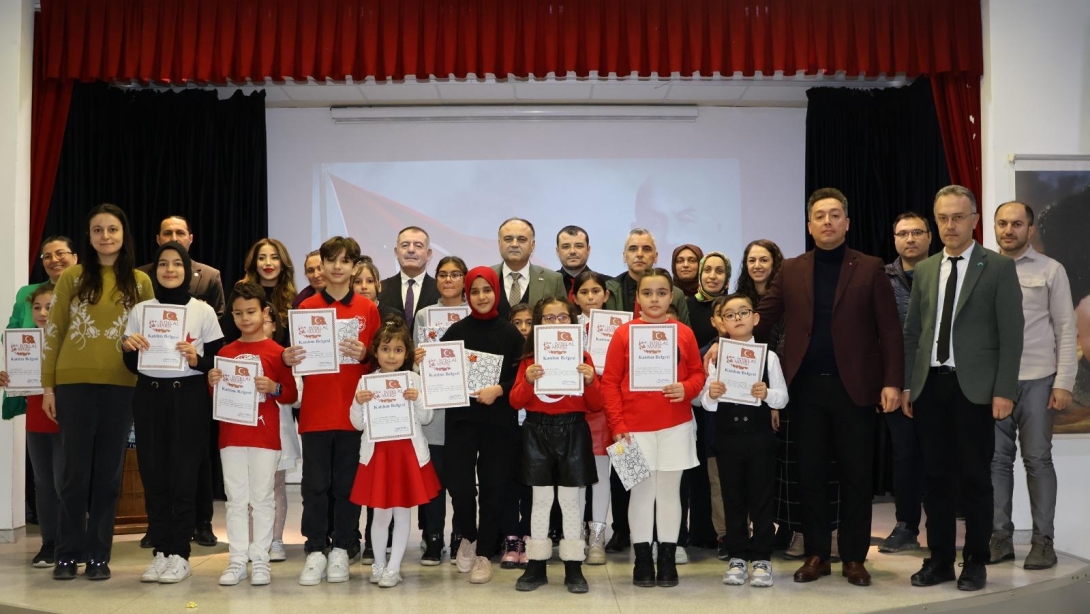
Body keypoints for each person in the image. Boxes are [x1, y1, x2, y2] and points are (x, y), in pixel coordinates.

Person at [750, 188, 903, 587]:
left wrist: (892, 381)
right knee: (810, 474)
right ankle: (817, 552)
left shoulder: (870, 268)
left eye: (835, 215)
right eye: (820, 216)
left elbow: (889, 330)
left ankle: (854, 557)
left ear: (847, 223)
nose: (828, 222)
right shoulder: (793, 269)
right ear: (809, 225)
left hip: (855, 390)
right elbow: (763, 320)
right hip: (804, 391)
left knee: (856, 476)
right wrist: (724, 343)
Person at [903, 185, 1024, 592]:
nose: (950, 225)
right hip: (929, 388)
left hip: (975, 391)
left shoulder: (998, 267)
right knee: (934, 479)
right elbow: (913, 334)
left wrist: (1004, 389)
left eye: (958, 217)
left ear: (974, 220)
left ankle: (975, 560)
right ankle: (939, 559)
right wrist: (907, 386)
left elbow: (1012, 335)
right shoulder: (923, 269)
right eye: (942, 218)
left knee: (975, 479)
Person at [42, 203, 155, 581]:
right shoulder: (72, 276)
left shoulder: (140, 282)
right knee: (73, 472)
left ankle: (98, 555)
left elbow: (150, 337)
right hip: (73, 383)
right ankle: (66, 552)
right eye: (97, 230)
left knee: (108, 475)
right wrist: (48, 386)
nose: (105, 236)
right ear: (89, 237)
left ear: (124, 235)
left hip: (121, 385)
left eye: (112, 229)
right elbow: (54, 331)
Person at [122, 242, 224, 584]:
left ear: (186, 269)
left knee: (183, 477)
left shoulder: (203, 310)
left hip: (189, 398)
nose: (169, 270)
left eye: (176, 264)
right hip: (149, 397)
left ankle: (180, 552)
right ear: (155, 270)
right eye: (163, 264)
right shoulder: (141, 310)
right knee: (153, 475)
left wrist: (196, 360)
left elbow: (216, 360)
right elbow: (131, 365)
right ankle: (161, 551)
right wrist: (127, 347)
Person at [282, 236, 380, 586]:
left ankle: (342, 546)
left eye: (344, 261)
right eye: (331, 260)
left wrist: (366, 355)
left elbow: (381, 362)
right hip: (316, 411)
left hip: (354, 412)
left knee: (347, 484)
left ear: (355, 267)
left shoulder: (368, 309)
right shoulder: (306, 308)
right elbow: (288, 360)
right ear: (320, 266)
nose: (337, 267)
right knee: (315, 485)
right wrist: (287, 357)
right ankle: (315, 548)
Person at [601, 268, 706, 588]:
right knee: (642, 495)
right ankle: (642, 562)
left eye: (662, 292)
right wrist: (617, 425)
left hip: (676, 426)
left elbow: (698, 376)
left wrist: (686, 389)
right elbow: (609, 384)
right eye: (648, 293)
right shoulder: (623, 333)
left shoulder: (683, 333)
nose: (655, 299)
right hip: (631, 431)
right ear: (638, 298)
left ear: (671, 296)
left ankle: (668, 561)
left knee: (670, 493)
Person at [989, 201, 1076, 570]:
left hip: (1039, 381)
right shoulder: (984, 268)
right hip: (993, 384)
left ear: (1030, 229)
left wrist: (1064, 382)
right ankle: (999, 538)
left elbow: (1066, 328)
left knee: (1038, 460)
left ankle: (1043, 542)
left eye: (1017, 224)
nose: (1009, 230)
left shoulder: (1051, 270)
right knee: (995, 462)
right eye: (1002, 223)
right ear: (993, 227)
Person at [510, 297, 604, 594]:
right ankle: (536, 565)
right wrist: (526, 380)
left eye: (562, 317)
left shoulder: (583, 357)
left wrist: (590, 381)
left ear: (573, 321)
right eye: (549, 318)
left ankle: (573, 567)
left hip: (573, 430)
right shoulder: (529, 358)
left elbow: (596, 404)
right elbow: (515, 400)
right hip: (537, 430)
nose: (556, 323)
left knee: (570, 502)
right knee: (540, 501)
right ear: (539, 323)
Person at [209, 282, 299, 586]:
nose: (245, 319)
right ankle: (237, 559)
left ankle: (260, 560)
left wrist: (273, 388)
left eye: (250, 312)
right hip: (231, 437)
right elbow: (215, 397)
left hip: (265, 437)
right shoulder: (225, 352)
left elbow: (290, 393)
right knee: (235, 500)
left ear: (265, 312)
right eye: (238, 313)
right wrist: (212, 381)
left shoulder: (278, 353)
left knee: (262, 499)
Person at [440, 267, 525, 584]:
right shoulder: (455, 331)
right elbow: (442, 370)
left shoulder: (510, 334)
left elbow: (520, 375)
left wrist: (500, 389)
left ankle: (482, 554)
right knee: (458, 484)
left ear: (496, 292)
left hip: (498, 422)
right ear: (467, 295)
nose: (481, 296)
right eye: (474, 291)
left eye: (486, 290)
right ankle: (470, 536)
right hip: (462, 420)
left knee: (493, 487)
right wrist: (425, 358)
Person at [702, 293, 788, 587]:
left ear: (755, 318)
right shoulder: (716, 357)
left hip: (760, 439)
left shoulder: (769, 356)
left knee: (761, 499)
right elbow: (706, 402)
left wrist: (768, 394)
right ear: (721, 322)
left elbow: (783, 397)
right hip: (727, 440)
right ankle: (738, 555)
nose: (737, 318)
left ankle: (762, 557)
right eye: (730, 314)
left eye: (743, 312)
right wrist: (711, 394)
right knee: (733, 499)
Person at [349, 321, 440, 588]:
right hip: (378, 454)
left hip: (406, 455)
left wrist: (417, 399)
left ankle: (394, 567)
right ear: (375, 351)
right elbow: (357, 423)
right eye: (386, 349)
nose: (392, 356)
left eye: (398, 350)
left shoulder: (413, 380)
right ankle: (378, 562)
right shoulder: (365, 382)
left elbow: (426, 417)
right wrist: (358, 402)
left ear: (407, 353)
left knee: (401, 513)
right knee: (379, 514)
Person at [879, 212, 932, 554]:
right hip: (897, 382)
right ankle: (906, 525)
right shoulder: (880, 278)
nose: (910, 239)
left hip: (943, 378)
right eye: (903, 233)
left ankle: (944, 525)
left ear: (930, 236)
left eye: (917, 232)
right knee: (905, 455)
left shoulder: (946, 273)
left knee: (944, 455)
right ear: (894, 239)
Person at [412, 256, 467, 565]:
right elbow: (414, 360)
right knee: (433, 482)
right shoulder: (424, 316)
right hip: (434, 411)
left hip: (464, 412)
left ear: (464, 279)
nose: (448, 280)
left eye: (455, 274)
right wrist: (417, 359)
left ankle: (461, 536)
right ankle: (433, 538)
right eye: (443, 275)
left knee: (460, 483)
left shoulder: (473, 314)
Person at [1, 283, 59, 567]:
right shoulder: (24, 342)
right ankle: (49, 543)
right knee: (44, 482)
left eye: (49, 307)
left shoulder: (72, 342)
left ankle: (73, 541)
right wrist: (8, 377)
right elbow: (20, 380)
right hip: (37, 418)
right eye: (37, 307)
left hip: (67, 417)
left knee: (68, 482)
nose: (43, 312)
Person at [571, 270, 614, 564]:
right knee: (575, 475)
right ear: (574, 298)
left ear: (606, 295)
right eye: (584, 292)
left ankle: (597, 536)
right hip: (574, 406)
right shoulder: (566, 328)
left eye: (595, 291)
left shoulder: (620, 327)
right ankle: (574, 536)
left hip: (607, 406)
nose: (590, 297)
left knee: (601, 474)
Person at [137, 216, 225, 315]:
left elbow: (219, 317)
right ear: (158, 239)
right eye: (167, 233)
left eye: (180, 233)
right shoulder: (140, 275)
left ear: (190, 239)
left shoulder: (209, 276)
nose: (174, 239)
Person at [501, 303, 534, 569]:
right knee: (510, 484)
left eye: (529, 322)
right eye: (517, 322)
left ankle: (528, 536)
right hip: (508, 427)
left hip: (537, 428)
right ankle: (511, 539)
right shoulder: (505, 353)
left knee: (533, 486)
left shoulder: (544, 354)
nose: (523, 328)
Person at [605, 229, 690, 326]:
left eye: (646, 249)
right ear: (624, 256)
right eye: (633, 249)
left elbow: (685, 336)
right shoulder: (608, 290)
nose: (640, 254)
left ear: (656, 257)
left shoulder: (676, 295)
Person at [223, 238, 296, 346]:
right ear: (255, 264)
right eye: (261, 258)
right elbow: (229, 334)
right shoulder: (241, 293)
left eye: (274, 258)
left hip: (279, 360)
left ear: (282, 265)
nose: (268, 263)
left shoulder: (293, 298)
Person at [492, 218, 566, 319]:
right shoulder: (485, 277)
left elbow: (563, 320)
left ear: (532, 245)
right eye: (508, 239)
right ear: (499, 244)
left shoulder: (553, 280)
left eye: (522, 239)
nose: (514, 244)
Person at [376, 226, 440, 329]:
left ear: (428, 254)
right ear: (396, 252)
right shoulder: (380, 289)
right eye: (405, 245)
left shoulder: (441, 290)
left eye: (418, 246)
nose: (411, 250)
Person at [355, 257, 402, 322]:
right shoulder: (345, 314)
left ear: (379, 286)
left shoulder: (394, 316)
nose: (364, 286)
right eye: (357, 282)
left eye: (370, 281)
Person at [556, 225, 592, 301]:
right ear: (557, 251)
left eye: (579, 246)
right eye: (566, 246)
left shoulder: (606, 284)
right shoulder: (546, 284)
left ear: (588, 250)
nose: (572, 251)